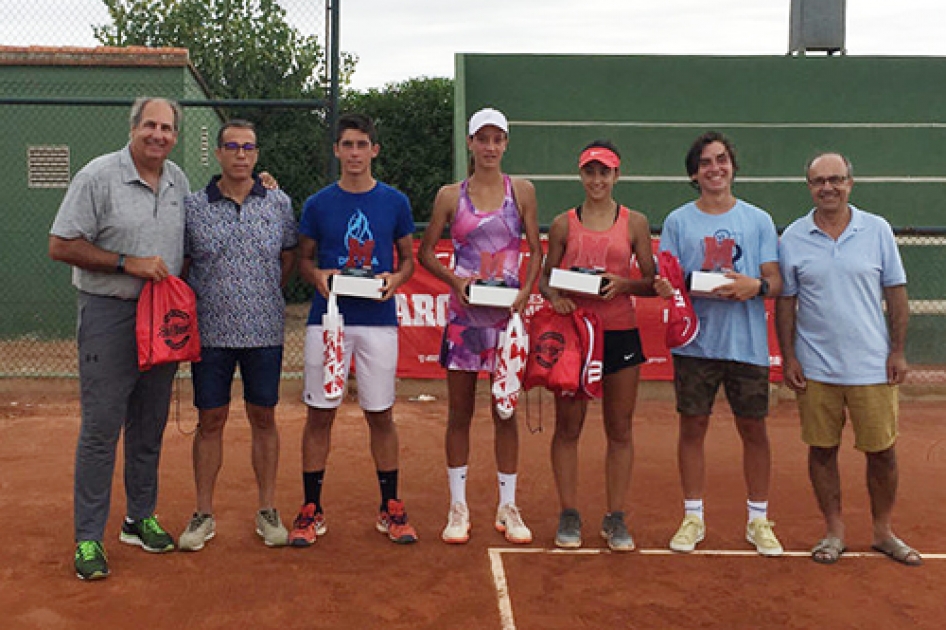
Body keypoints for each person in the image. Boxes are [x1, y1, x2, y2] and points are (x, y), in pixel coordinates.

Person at [49, 97, 187, 580]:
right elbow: (61, 244)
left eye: (167, 127)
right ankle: (88, 539)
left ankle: (138, 517)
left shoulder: (177, 180)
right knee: (101, 430)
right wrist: (128, 262)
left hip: (161, 320)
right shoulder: (96, 176)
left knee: (148, 427)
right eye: (150, 125)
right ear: (133, 128)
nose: (158, 134)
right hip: (109, 314)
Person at [775, 153, 921, 566]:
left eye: (836, 179)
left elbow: (896, 294)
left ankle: (883, 531)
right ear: (809, 187)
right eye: (819, 181)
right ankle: (834, 531)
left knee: (883, 452)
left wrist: (897, 350)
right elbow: (787, 302)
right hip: (816, 367)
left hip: (873, 367)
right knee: (822, 450)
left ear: (850, 183)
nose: (828, 187)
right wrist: (789, 357)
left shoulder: (876, 230)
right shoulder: (793, 238)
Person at [288, 113, 418, 546]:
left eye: (363, 145)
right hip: (330, 322)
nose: (355, 153)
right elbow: (305, 260)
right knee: (319, 414)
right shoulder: (318, 204)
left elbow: (406, 261)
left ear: (374, 150)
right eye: (348, 145)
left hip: (379, 322)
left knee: (380, 414)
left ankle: (390, 507)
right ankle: (311, 509)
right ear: (337, 150)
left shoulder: (395, 202)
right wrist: (319, 277)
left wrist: (395, 281)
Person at [418, 108, 543, 545]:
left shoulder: (523, 192)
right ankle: (459, 506)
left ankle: (508, 506)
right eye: (482, 139)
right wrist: (456, 281)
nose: (490, 147)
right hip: (464, 320)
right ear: (470, 143)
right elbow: (427, 252)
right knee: (460, 413)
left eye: (498, 139)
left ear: (506, 143)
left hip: (507, 320)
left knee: (505, 411)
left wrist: (526, 291)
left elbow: (536, 250)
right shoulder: (450, 196)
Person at [656, 131, 784, 557]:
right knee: (693, 426)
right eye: (706, 162)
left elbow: (776, 280)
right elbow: (670, 279)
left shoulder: (759, 219)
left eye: (722, 160)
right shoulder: (678, 221)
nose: (715, 168)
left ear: (732, 166)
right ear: (694, 173)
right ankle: (693, 516)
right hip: (695, 344)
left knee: (754, 429)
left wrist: (755, 285)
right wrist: (668, 285)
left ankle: (758, 520)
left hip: (746, 345)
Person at [177, 119, 298, 551]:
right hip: (209, 333)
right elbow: (185, 267)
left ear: (257, 153)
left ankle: (267, 510)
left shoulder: (278, 202)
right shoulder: (193, 206)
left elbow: (287, 259)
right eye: (232, 146)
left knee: (263, 418)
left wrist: (259, 294)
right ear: (218, 153)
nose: (241, 155)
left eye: (248, 147)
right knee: (210, 420)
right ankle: (203, 514)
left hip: (265, 330)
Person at [539, 140, 658, 551]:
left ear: (616, 176)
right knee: (568, 427)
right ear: (581, 174)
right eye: (590, 171)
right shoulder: (561, 224)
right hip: (574, 334)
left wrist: (624, 285)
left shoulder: (636, 223)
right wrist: (554, 298)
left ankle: (616, 516)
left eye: (604, 172)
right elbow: (545, 276)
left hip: (620, 332)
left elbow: (651, 281)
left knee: (620, 427)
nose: (596, 179)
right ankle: (569, 512)